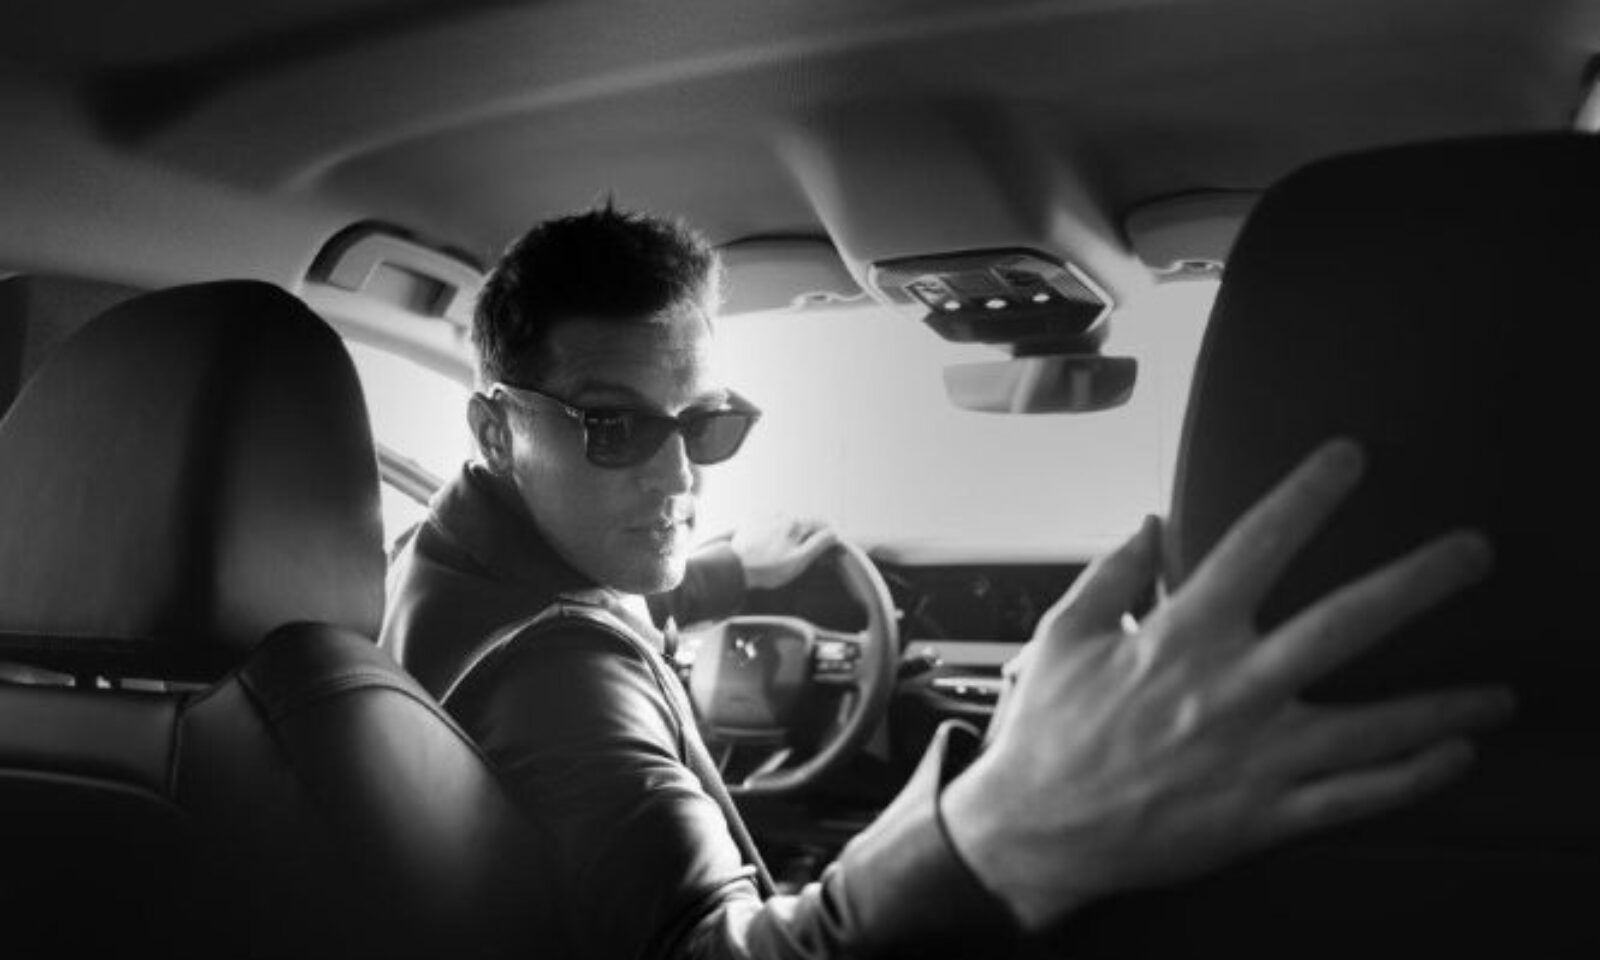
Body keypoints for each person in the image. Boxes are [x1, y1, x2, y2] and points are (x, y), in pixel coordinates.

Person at [379, 206, 1514, 959]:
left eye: (707, 424)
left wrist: (720, 572)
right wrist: (994, 831)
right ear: (495, 427)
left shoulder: (448, 565)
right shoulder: (556, 679)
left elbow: (588, 591)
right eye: (613, 426)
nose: (679, 475)